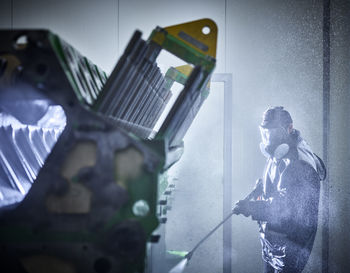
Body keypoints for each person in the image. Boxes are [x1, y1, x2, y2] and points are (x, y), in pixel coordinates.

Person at [233, 106, 326, 273]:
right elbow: (278, 185)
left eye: (273, 133)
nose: (269, 139)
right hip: (273, 245)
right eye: (266, 133)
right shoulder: (279, 155)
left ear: (289, 128)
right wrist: (260, 189)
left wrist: (252, 208)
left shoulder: (298, 163)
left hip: (289, 251)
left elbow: (285, 209)